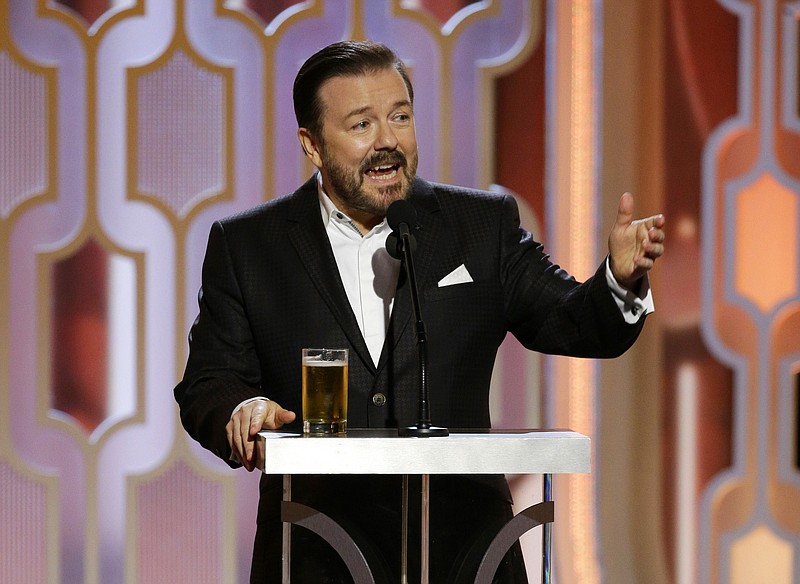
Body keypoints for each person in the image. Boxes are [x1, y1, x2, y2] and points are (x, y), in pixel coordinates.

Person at [174, 40, 665, 583]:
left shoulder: (479, 226)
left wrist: (619, 279)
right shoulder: (250, 245)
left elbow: (574, 318)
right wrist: (243, 408)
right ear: (311, 146)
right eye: (361, 125)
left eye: (400, 117)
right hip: (316, 554)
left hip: (464, 554)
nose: (388, 142)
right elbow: (208, 383)